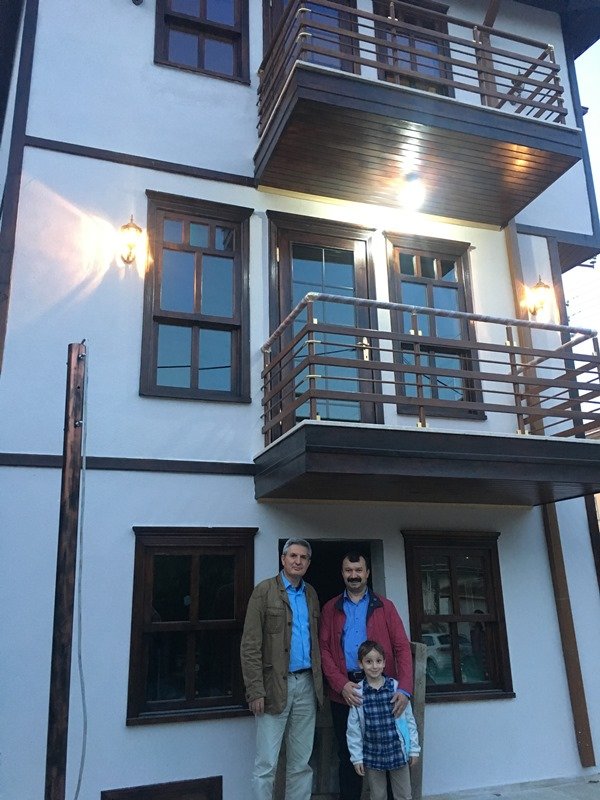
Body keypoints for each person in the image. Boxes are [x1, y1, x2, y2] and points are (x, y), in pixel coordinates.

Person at [319, 552, 413, 800]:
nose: (354, 575)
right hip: (346, 691)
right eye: (349, 570)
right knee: (348, 753)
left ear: (367, 573)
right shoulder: (330, 608)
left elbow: (402, 647)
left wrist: (404, 689)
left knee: (389, 751)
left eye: (358, 570)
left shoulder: (385, 606)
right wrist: (340, 684)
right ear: (342, 574)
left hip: (382, 690)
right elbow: (323, 650)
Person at [240, 537, 323, 800]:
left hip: (307, 685)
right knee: (266, 764)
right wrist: (255, 690)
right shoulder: (264, 591)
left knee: (301, 763)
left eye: (303, 557)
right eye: (293, 556)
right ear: (283, 559)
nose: (298, 561)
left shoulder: (311, 594)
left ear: (308, 563)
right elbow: (250, 645)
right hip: (273, 685)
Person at [346, 640, 420, 800]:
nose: (374, 666)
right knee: (378, 795)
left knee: (404, 795)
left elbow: (409, 720)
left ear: (384, 663)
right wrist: (357, 757)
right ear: (360, 664)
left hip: (397, 751)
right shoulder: (358, 693)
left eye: (378, 661)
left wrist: (414, 749)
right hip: (373, 754)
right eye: (369, 661)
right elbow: (353, 730)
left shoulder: (396, 688)